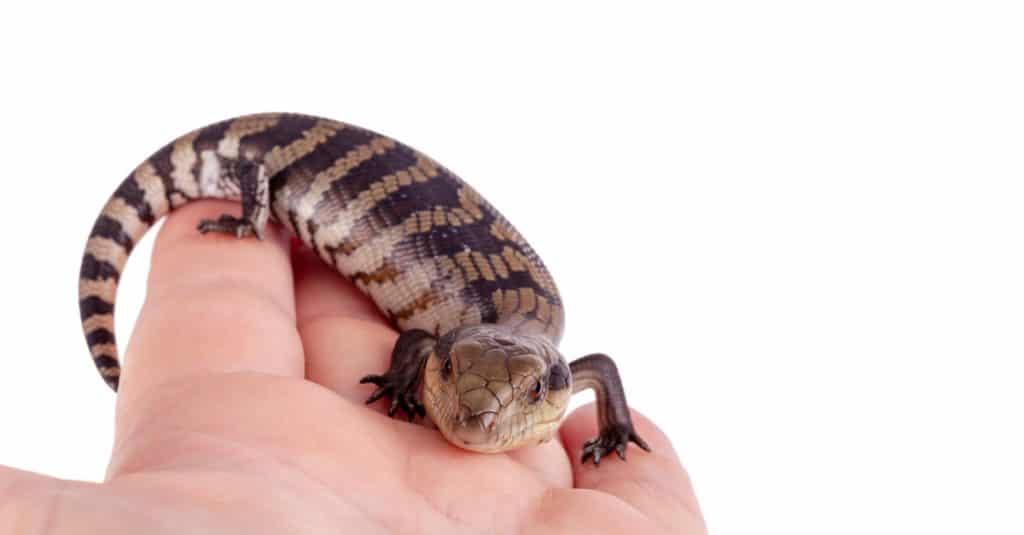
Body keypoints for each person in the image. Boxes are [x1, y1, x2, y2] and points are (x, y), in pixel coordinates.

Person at [1, 201, 706, 534]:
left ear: (550, 388)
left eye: (513, 405)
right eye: (447, 384)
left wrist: (614, 425)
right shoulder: (439, 348)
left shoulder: (557, 366)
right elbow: (421, 342)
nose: (472, 420)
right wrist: (406, 381)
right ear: (440, 361)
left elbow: (600, 368)